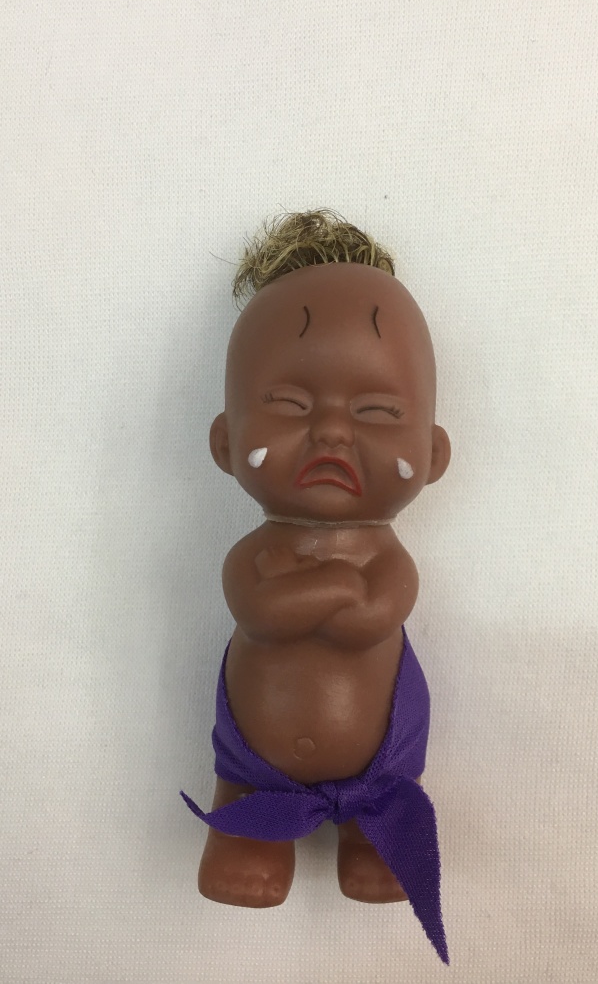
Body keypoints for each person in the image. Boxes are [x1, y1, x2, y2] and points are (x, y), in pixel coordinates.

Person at [182, 211, 451, 962]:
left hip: (380, 767)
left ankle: (371, 834)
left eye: (377, 411)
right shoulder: (252, 554)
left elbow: (368, 619)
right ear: (225, 440)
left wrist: (324, 589)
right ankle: (246, 835)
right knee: (240, 787)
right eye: (292, 406)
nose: (333, 432)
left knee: (385, 791)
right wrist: (337, 586)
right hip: (255, 761)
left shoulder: (389, 559)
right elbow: (263, 613)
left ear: (432, 453)